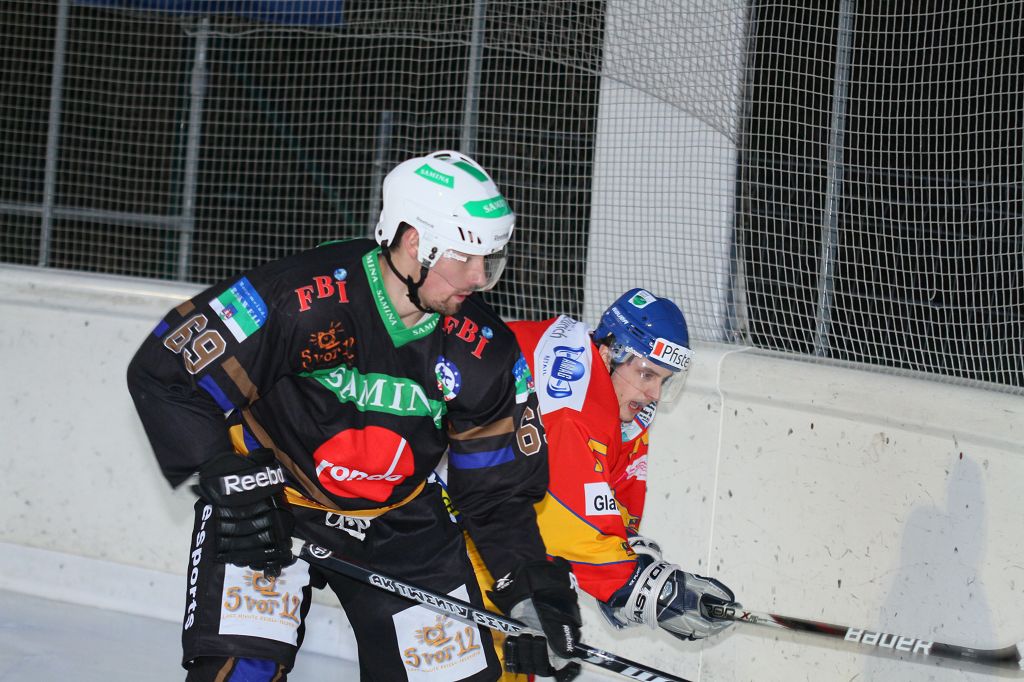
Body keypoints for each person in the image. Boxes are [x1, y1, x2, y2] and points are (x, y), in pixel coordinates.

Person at [126, 150, 581, 681]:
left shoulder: (484, 350)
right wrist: (229, 481)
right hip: (277, 501)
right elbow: (168, 370)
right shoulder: (299, 297)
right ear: (415, 242)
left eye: (490, 260)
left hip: (400, 522)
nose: (479, 278)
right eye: (465, 258)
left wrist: (529, 590)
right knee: (240, 670)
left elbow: (497, 492)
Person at [500, 289, 738, 670]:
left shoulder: (618, 395)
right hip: (443, 506)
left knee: (520, 652)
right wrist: (637, 586)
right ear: (611, 350)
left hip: (500, 516)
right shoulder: (575, 406)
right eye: (647, 374)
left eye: (664, 380)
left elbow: (612, 496)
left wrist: (629, 552)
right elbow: (566, 520)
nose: (654, 393)